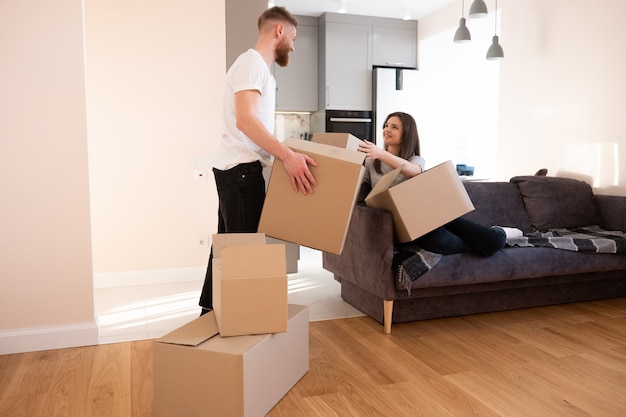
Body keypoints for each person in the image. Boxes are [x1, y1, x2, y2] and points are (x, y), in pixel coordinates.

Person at [199, 6, 318, 315]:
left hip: (236, 169)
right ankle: (239, 324)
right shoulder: (252, 63)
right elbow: (246, 121)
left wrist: (281, 154)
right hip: (240, 171)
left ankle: (209, 316)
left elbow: (250, 125)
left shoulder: (256, 67)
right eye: (293, 37)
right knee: (243, 255)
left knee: (228, 250)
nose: (293, 45)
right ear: (279, 30)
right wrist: (287, 155)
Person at [358, 111, 509, 257]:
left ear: (406, 134)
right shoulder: (371, 161)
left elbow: (414, 171)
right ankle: (473, 245)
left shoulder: (415, 160)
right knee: (442, 242)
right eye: (386, 125)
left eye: (394, 127)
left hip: (428, 216)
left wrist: (381, 153)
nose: (387, 130)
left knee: (494, 241)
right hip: (405, 226)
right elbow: (359, 186)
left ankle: (503, 231)